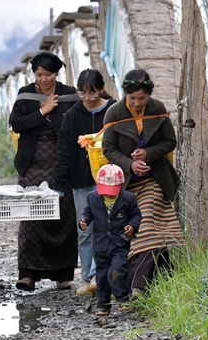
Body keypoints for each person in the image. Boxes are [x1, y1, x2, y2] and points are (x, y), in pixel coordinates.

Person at [102, 68, 183, 297]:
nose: (137, 103)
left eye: (142, 98)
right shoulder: (114, 113)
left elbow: (170, 141)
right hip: (127, 183)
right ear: (124, 94)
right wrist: (130, 164)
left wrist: (148, 153)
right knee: (152, 231)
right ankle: (164, 277)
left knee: (144, 225)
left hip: (154, 179)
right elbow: (108, 149)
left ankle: (137, 286)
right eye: (132, 98)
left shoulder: (157, 109)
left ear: (150, 94)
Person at [9, 52, 79, 291]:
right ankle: (28, 274)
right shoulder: (26, 95)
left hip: (62, 162)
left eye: (48, 74)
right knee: (31, 215)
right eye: (38, 74)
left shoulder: (69, 94)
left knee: (63, 215)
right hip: (32, 162)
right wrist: (42, 111)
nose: (43, 79)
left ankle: (63, 274)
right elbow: (16, 124)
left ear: (56, 73)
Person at [55, 69, 117, 296]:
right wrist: (59, 182)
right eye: (82, 93)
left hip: (110, 179)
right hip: (81, 180)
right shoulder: (73, 114)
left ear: (101, 89)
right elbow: (63, 149)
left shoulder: (113, 110)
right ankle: (86, 277)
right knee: (85, 228)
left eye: (92, 92)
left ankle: (101, 275)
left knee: (108, 227)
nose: (88, 98)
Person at [79, 164, 141, 315]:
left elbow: (136, 215)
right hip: (100, 244)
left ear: (120, 186)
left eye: (112, 192)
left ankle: (123, 299)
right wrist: (84, 221)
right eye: (105, 191)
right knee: (101, 275)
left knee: (117, 270)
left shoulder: (128, 198)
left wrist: (132, 226)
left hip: (120, 243)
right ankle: (103, 305)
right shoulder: (92, 197)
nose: (109, 195)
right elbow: (87, 212)